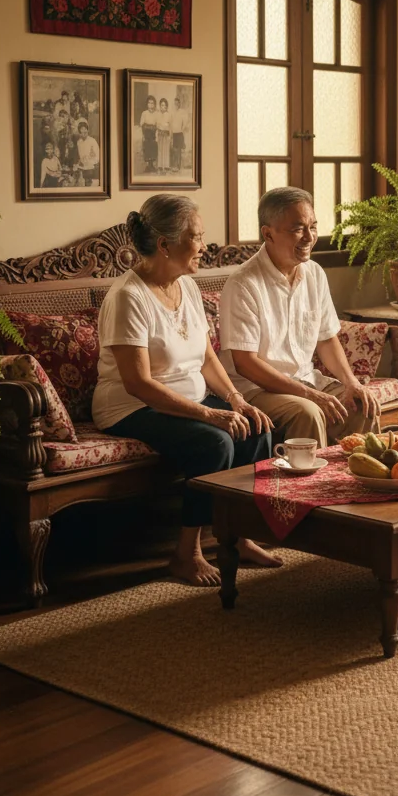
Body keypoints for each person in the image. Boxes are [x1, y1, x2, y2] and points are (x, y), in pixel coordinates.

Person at [93, 194, 279, 586]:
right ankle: (186, 554)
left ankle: (240, 537)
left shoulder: (186, 287)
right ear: (165, 244)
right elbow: (138, 383)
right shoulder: (128, 297)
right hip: (130, 407)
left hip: (187, 398)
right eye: (196, 237)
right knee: (215, 443)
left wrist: (236, 400)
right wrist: (210, 415)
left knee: (258, 427)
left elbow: (206, 356)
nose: (204, 245)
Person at [219, 186, 379, 447]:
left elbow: (326, 339)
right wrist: (309, 395)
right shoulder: (243, 284)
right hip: (258, 389)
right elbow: (245, 363)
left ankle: (357, 482)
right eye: (298, 229)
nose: (309, 237)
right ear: (267, 233)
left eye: (313, 227)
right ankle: (312, 487)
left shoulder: (314, 273)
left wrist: (351, 383)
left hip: (307, 380)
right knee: (309, 411)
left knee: (362, 403)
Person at [74, 120, 100, 187]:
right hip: (82, 167)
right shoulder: (79, 142)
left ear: (88, 131)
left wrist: (90, 160)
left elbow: (97, 156)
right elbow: (79, 156)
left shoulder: (92, 141)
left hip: (91, 167)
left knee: (89, 183)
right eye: (81, 131)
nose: (83, 133)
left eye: (85, 130)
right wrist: (79, 162)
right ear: (79, 132)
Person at [139, 95, 158, 173]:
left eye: (152, 103)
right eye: (149, 103)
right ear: (147, 104)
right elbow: (141, 124)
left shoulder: (156, 113)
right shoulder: (144, 113)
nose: (151, 105)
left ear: (154, 105)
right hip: (146, 133)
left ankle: (152, 165)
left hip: (153, 133)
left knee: (153, 148)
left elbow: (157, 124)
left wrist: (156, 134)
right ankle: (148, 166)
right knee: (147, 148)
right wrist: (143, 134)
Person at [170, 95, 189, 172]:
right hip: (174, 133)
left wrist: (182, 129)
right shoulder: (172, 112)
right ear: (173, 104)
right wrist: (171, 133)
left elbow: (185, 121)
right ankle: (174, 165)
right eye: (175, 104)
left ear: (179, 104)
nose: (176, 105)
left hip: (179, 133)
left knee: (178, 150)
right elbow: (171, 123)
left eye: (177, 104)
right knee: (174, 150)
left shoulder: (182, 112)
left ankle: (178, 166)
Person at [156, 98, 172, 176]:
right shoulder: (158, 114)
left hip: (166, 134)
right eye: (162, 105)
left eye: (165, 105)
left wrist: (170, 135)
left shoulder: (168, 115)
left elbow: (169, 125)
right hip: (160, 134)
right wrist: (161, 127)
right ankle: (160, 166)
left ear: (166, 106)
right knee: (160, 150)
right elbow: (157, 125)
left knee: (166, 150)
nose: (163, 107)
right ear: (160, 106)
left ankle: (166, 166)